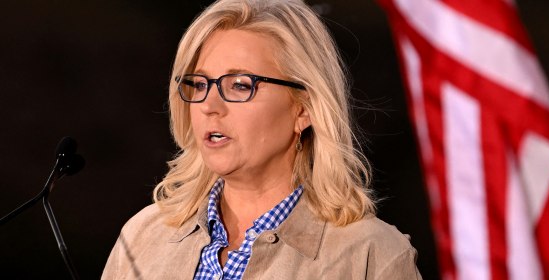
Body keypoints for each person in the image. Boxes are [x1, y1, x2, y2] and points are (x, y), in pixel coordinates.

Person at [102, 0, 422, 279]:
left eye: (240, 85)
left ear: (304, 108)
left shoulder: (372, 255)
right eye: (199, 85)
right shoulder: (142, 236)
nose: (209, 106)